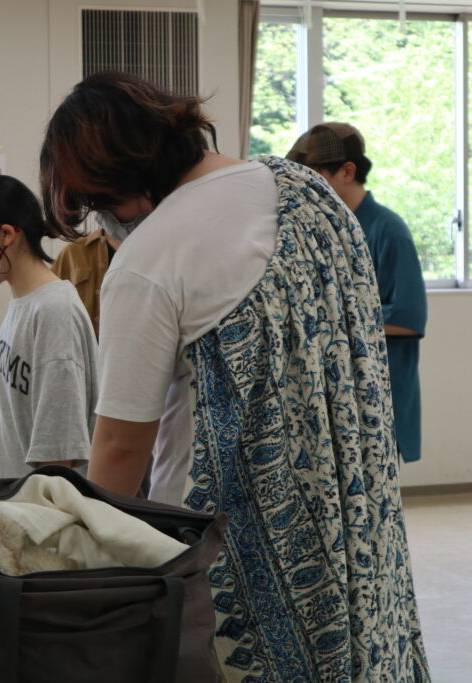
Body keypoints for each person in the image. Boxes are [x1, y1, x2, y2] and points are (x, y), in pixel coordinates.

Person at [40, 72, 429, 682]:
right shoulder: (309, 190)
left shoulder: (149, 258)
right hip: (357, 528)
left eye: (100, 203)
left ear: (123, 179)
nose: (104, 223)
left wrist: (87, 572)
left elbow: (120, 444)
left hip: (222, 561)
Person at [287, 123, 427, 463]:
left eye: (314, 175)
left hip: (377, 398)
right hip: (330, 401)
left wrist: (331, 322)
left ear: (347, 171)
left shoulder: (388, 230)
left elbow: (409, 317)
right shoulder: (317, 228)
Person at [0, 174, 97, 479]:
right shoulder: (24, 303)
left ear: (5, 235)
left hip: (40, 505)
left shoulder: (54, 310)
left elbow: (58, 454)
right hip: (13, 498)